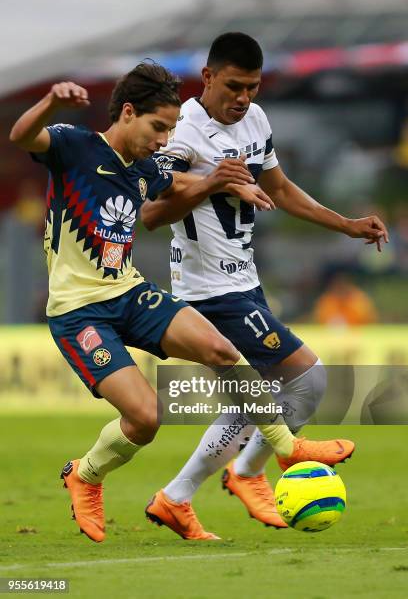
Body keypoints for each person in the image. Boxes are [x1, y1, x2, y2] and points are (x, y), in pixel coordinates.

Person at [9, 62, 275, 543]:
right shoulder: (74, 145)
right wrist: (50, 102)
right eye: (158, 127)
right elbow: (21, 135)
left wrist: (223, 182)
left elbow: (177, 187)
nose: (164, 139)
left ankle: (287, 448)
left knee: (223, 351)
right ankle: (86, 475)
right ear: (128, 112)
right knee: (146, 418)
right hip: (78, 312)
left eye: (172, 129)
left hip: (129, 293)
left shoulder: (146, 168)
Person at [141, 33, 389, 538]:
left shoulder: (255, 120)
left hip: (244, 281)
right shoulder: (184, 132)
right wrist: (212, 181)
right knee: (308, 379)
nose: (243, 98)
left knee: (250, 401)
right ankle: (249, 471)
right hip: (208, 291)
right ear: (207, 78)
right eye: (234, 86)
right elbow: (149, 211)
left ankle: (177, 497)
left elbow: (278, 188)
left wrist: (344, 224)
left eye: (252, 87)